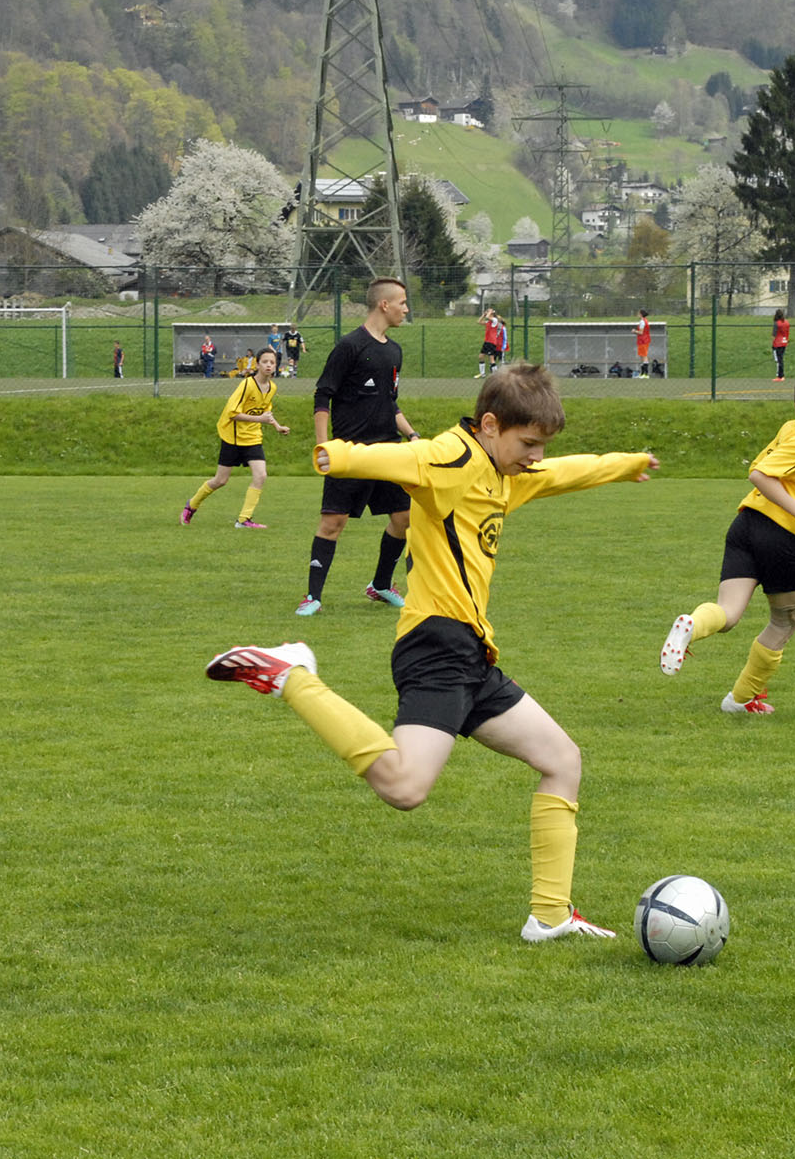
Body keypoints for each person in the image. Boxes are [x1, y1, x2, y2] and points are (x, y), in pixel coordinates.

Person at [208, 363, 658, 941]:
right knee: (405, 787)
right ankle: (293, 674)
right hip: (436, 645)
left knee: (563, 761)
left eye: (541, 445)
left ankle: (549, 915)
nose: (536, 456)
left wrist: (625, 464)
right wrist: (338, 456)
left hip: (471, 652)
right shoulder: (455, 456)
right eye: (528, 443)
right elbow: (408, 458)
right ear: (490, 425)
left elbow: (562, 473)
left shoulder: (505, 473)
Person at [659, 370, 795, 715]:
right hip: (780, 536)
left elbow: (767, 465)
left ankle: (692, 625)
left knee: (728, 614)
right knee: (786, 621)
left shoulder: (791, 429)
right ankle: (740, 699)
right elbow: (759, 474)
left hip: (745, 527)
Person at [297, 277, 420, 617]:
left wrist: (412, 434)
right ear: (384, 304)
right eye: (402, 303)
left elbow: (389, 403)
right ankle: (313, 597)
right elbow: (323, 395)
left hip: (388, 451)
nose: (406, 309)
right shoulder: (349, 346)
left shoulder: (394, 351)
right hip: (349, 453)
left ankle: (380, 585)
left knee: (405, 518)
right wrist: (324, 447)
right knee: (333, 523)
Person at [180, 347, 290, 530]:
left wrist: (277, 426)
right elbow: (232, 413)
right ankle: (191, 505)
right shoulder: (247, 385)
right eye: (265, 362)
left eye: (272, 362)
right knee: (220, 480)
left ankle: (244, 520)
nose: (269, 365)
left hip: (252, 437)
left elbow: (265, 411)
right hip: (233, 437)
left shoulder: (272, 387)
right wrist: (260, 419)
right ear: (257, 364)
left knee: (261, 475)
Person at [477, 308, 505, 378]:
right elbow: (479, 322)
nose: (486, 312)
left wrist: (489, 312)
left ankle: (496, 375)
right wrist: (483, 315)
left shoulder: (495, 320)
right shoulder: (488, 321)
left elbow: (487, 317)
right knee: (481, 356)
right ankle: (482, 374)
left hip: (491, 342)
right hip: (486, 342)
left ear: (492, 313)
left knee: (491, 359)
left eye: (488, 311)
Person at [770, 309, 790, 381]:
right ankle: (781, 375)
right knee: (781, 359)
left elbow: (774, 334)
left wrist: (772, 342)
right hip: (784, 342)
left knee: (778, 360)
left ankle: (780, 376)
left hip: (777, 343)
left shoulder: (777, 323)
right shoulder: (787, 322)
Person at [634, 308, 652, 378]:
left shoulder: (642, 322)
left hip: (643, 341)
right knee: (642, 356)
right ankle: (642, 373)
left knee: (644, 356)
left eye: (638, 313)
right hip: (644, 340)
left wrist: (634, 331)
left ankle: (646, 374)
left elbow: (641, 332)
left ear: (641, 314)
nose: (637, 314)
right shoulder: (645, 321)